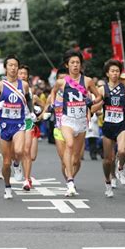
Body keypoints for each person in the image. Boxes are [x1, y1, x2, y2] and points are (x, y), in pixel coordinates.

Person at [49, 51, 102, 196]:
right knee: (70, 144)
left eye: (77, 62)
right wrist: (53, 104)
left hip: (81, 121)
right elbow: (53, 92)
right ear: (67, 65)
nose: (75, 65)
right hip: (67, 120)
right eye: (72, 63)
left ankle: (71, 176)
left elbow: (99, 96)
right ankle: (70, 181)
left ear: (81, 65)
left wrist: (91, 102)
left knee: (76, 158)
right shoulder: (62, 82)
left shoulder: (88, 81)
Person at [0, 55, 33, 199]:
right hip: (4, 124)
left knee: (19, 150)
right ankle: (7, 187)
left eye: (15, 65)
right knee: (5, 162)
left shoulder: (24, 85)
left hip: (19, 123)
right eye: (10, 65)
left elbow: (29, 100)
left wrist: (31, 112)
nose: (13, 68)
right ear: (5, 68)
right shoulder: (0, 85)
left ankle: (17, 164)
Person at [92, 60, 125, 197]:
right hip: (108, 125)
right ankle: (108, 182)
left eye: (117, 71)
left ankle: (120, 168)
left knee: (122, 151)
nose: (115, 73)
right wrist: (91, 108)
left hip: (121, 124)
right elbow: (97, 104)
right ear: (107, 73)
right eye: (112, 71)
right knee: (108, 159)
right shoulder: (102, 89)